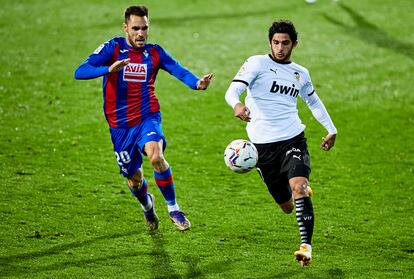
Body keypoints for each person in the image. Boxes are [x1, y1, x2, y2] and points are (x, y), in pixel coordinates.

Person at [74, 5, 213, 231]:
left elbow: (178, 69)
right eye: (136, 28)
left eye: (145, 28)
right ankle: (148, 206)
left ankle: (174, 209)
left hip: (147, 115)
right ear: (126, 28)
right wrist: (109, 69)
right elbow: (80, 71)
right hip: (119, 125)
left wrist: (197, 83)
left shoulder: (155, 52)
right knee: (134, 179)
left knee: (156, 156)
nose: (141, 33)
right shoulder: (113, 48)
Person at [224, 20, 337, 266]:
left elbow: (313, 102)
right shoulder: (256, 63)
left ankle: (306, 247)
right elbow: (231, 91)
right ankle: (300, 194)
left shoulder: (301, 73)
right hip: (262, 148)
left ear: (294, 44)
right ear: (270, 43)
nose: (280, 48)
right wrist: (238, 105)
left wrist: (331, 129)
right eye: (276, 42)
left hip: (293, 138)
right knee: (287, 206)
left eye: (285, 43)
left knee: (299, 187)